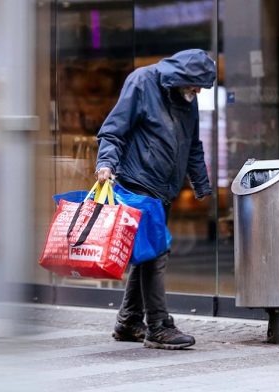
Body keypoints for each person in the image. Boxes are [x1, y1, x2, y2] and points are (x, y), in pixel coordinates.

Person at [95, 49, 216, 350]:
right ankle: (158, 326)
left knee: (147, 254)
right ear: (181, 78)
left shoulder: (187, 98)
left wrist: (201, 184)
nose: (198, 91)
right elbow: (113, 131)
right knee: (156, 253)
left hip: (164, 189)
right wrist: (105, 164)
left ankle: (128, 321)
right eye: (195, 84)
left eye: (201, 86)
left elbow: (193, 145)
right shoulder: (142, 81)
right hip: (138, 184)